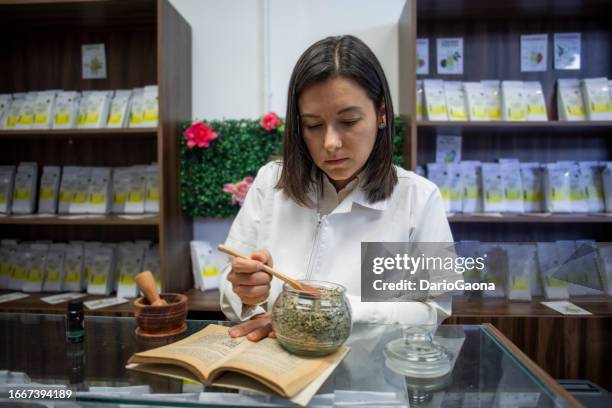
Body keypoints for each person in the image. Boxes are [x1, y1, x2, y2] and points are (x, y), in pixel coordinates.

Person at [219, 35, 453, 342]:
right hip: (273, 371)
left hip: (365, 381)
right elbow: (231, 277)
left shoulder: (417, 199)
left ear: (381, 114)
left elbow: (431, 310)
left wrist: (332, 309)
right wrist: (247, 292)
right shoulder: (271, 182)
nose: (330, 143)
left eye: (349, 120)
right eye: (313, 125)